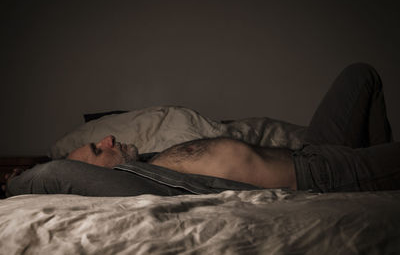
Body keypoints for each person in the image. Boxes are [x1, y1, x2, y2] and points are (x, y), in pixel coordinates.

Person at [5, 63, 400, 197]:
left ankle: (379, 180)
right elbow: (56, 172)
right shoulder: (136, 185)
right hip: (321, 175)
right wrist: (13, 183)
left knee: (360, 75)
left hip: (314, 150)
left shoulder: (150, 162)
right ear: (92, 176)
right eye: (96, 149)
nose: (106, 140)